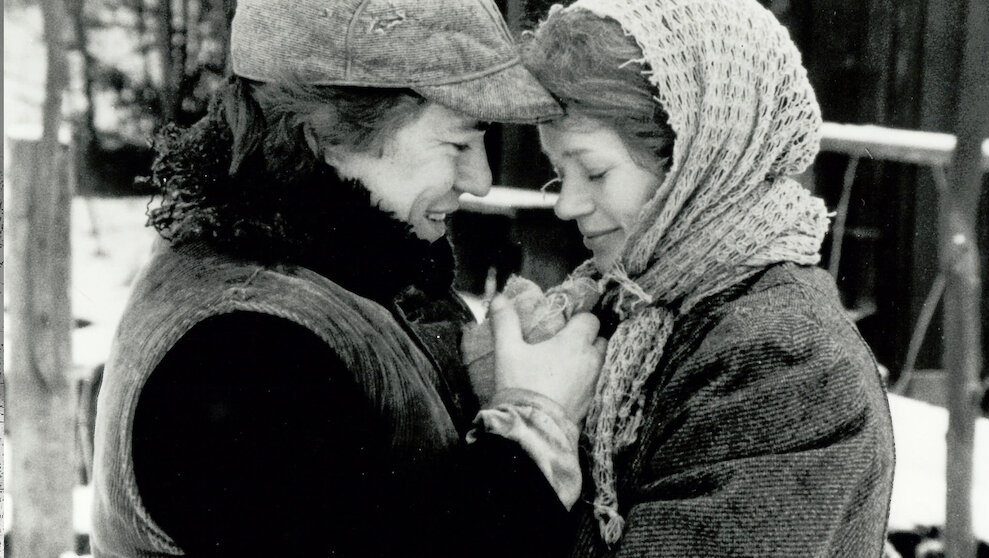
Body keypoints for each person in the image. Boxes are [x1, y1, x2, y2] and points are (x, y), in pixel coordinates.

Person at [90, 0, 605, 556]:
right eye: (457, 143)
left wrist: (470, 374)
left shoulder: (339, 268)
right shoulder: (244, 350)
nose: (479, 180)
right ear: (327, 133)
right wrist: (533, 427)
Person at [510, 0, 897, 555]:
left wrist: (528, 435)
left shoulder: (784, 361)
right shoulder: (635, 306)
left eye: (594, 171)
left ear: (693, 163)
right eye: (557, 173)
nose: (566, 205)